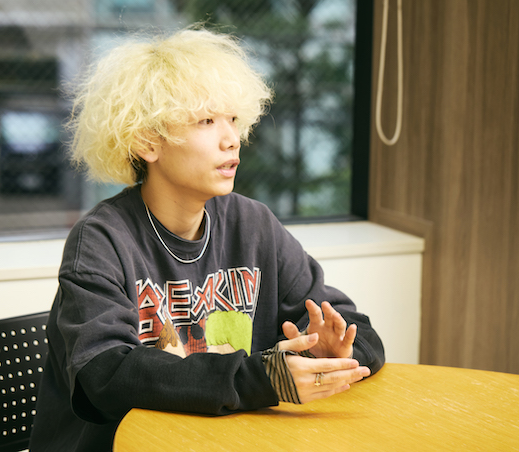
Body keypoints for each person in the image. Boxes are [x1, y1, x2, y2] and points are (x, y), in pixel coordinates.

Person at [29, 26, 385, 452]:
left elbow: (357, 329)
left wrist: (328, 353)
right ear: (146, 141)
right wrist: (263, 379)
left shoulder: (253, 225)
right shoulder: (101, 240)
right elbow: (105, 375)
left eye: (233, 119)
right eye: (206, 121)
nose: (232, 139)